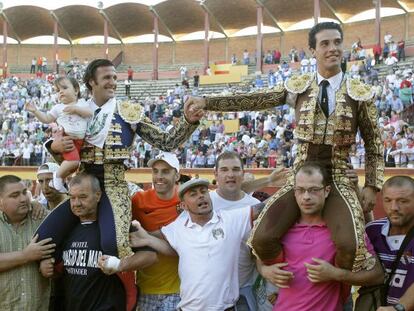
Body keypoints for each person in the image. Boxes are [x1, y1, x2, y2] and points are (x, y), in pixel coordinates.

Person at [188, 21, 383, 272]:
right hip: (300, 176)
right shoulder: (298, 85)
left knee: (350, 246)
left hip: (337, 178)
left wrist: (372, 185)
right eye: (325, 43)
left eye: (337, 42)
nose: (332, 48)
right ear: (313, 50)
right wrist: (208, 101)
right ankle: (291, 283)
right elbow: (255, 99)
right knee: (261, 239)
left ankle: (335, 293)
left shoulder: (360, 92)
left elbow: (374, 143)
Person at [36, 59, 203, 267]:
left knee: (114, 244)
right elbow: (67, 158)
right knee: (42, 239)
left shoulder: (127, 111)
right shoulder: (74, 110)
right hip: (84, 184)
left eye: (115, 77)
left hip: (114, 185)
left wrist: (188, 121)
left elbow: (166, 142)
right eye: (107, 77)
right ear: (91, 82)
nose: (113, 82)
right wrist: (54, 147)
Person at [129, 178, 270, 311]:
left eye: (204, 192)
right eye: (193, 194)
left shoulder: (230, 219)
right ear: (183, 205)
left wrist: (289, 188)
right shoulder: (178, 227)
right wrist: (145, 237)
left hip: (225, 308)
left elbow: (265, 207)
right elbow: (169, 245)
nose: (201, 196)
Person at [258, 163, 384, 310]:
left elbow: (377, 275)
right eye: (301, 190)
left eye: (314, 190)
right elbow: (258, 258)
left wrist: (336, 274)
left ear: (326, 191)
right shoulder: (282, 228)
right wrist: (264, 271)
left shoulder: (344, 231)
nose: (306, 197)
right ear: (294, 192)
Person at [40, 173, 157, 311]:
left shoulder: (117, 226)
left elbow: (151, 256)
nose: (77, 203)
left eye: (83, 197)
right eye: (72, 198)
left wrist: (120, 265)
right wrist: (46, 267)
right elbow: (60, 271)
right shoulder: (65, 230)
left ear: (98, 195)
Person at [131, 152, 182, 310]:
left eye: (166, 171)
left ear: (177, 176)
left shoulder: (187, 201)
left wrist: (147, 236)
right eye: (155, 171)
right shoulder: (138, 201)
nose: (159, 176)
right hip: (145, 289)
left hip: (179, 290)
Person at [25, 77, 93, 193]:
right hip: (67, 140)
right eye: (58, 90)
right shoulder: (58, 108)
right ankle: (57, 176)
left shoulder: (82, 103)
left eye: (64, 88)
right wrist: (35, 111)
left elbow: (90, 113)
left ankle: (61, 178)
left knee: (74, 165)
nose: (60, 92)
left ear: (76, 90)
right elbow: (46, 119)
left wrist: (76, 109)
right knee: (74, 162)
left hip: (80, 141)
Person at [0, 175, 55, 311]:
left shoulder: (44, 219)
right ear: (0, 202)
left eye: (25, 192)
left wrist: (50, 261)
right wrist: (26, 255)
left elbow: (62, 252)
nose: (23, 199)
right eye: (15, 195)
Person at [366, 176, 414, 310]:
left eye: (403, 201)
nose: (394, 207)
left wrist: (399, 308)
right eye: (388, 200)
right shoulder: (371, 230)